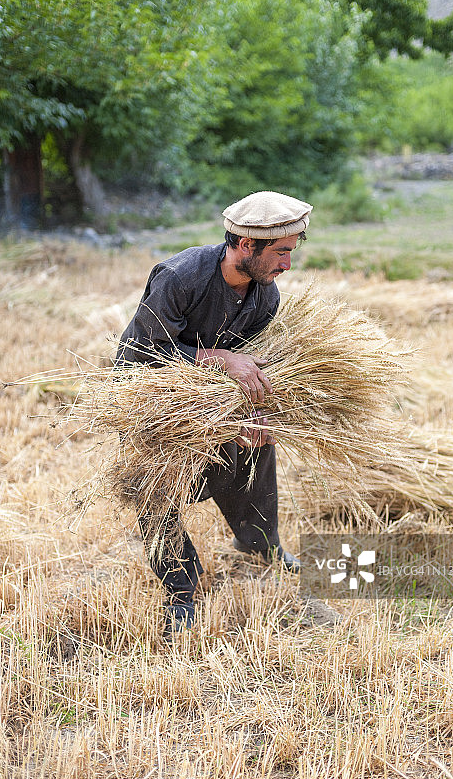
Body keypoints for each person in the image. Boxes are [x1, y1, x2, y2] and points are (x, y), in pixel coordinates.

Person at [116, 191, 312, 632]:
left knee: (256, 446)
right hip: (150, 393)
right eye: (280, 253)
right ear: (246, 245)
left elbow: (252, 360)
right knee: (156, 483)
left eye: (290, 252)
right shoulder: (180, 277)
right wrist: (219, 358)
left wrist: (258, 411)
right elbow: (148, 351)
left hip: (213, 395)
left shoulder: (265, 296)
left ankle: (261, 543)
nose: (285, 264)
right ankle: (180, 589)